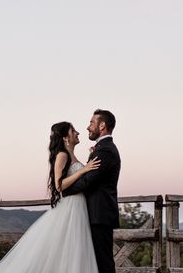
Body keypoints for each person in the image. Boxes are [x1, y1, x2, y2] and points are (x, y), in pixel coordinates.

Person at [0, 121, 101, 273]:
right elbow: (59, 185)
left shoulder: (72, 155)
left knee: (74, 249)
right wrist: (83, 171)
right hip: (71, 206)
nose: (77, 133)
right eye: (73, 130)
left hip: (79, 205)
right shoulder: (62, 155)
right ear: (64, 138)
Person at [63, 109, 121, 273]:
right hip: (94, 214)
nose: (88, 127)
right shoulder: (102, 148)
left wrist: (63, 190)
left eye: (91, 123)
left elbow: (88, 181)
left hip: (99, 215)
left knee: (103, 264)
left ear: (102, 126)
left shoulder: (105, 150)